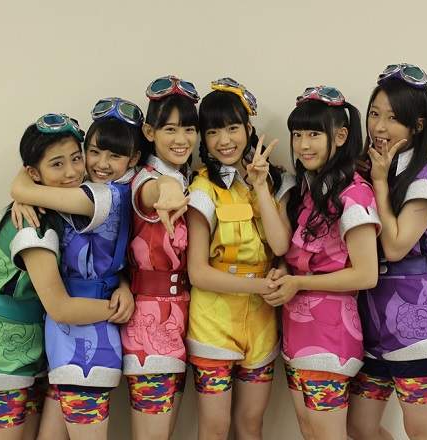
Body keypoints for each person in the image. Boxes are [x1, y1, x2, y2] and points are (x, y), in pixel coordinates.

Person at [0, 114, 125, 440]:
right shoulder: (31, 224)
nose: (72, 172)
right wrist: (121, 309)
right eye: (57, 164)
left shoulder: (52, 205)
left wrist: (126, 286)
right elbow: (60, 308)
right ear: (34, 173)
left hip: (40, 348)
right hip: (0, 351)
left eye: (76, 158)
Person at [9, 98, 144, 440]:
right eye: (93, 152)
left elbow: (21, 187)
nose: (98, 164)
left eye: (115, 155)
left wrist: (26, 190)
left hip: (91, 335)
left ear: (133, 159)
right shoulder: (80, 190)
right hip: (63, 332)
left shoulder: (106, 195)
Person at [346, 64, 427, 440]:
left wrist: (379, 183)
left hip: (418, 320)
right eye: (374, 113)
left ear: (418, 125)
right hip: (370, 317)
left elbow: (395, 247)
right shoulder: (372, 165)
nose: (379, 126)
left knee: (422, 430)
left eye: (393, 118)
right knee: (358, 427)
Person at [260, 86, 380, 440]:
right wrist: (286, 272)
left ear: (340, 136)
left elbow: (366, 275)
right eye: (297, 134)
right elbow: (290, 252)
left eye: (314, 134)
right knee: (311, 433)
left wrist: (300, 283)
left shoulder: (354, 193)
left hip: (331, 332)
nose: (303, 145)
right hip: (297, 330)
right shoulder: (307, 191)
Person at [185, 77, 294, 440]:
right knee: (215, 429)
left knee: (251, 425)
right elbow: (198, 272)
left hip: (261, 323)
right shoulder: (202, 189)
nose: (224, 140)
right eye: (212, 131)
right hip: (212, 322)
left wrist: (260, 186)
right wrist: (263, 286)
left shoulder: (273, 182)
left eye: (232, 128)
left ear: (248, 129)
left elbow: (280, 246)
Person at [120, 76, 199, 440]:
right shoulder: (146, 179)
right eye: (170, 129)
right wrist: (166, 188)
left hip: (183, 313)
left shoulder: (189, 177)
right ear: (149, 132)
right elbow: (152, 192)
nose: (181, 138)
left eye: (189, 129)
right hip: (150, 317)